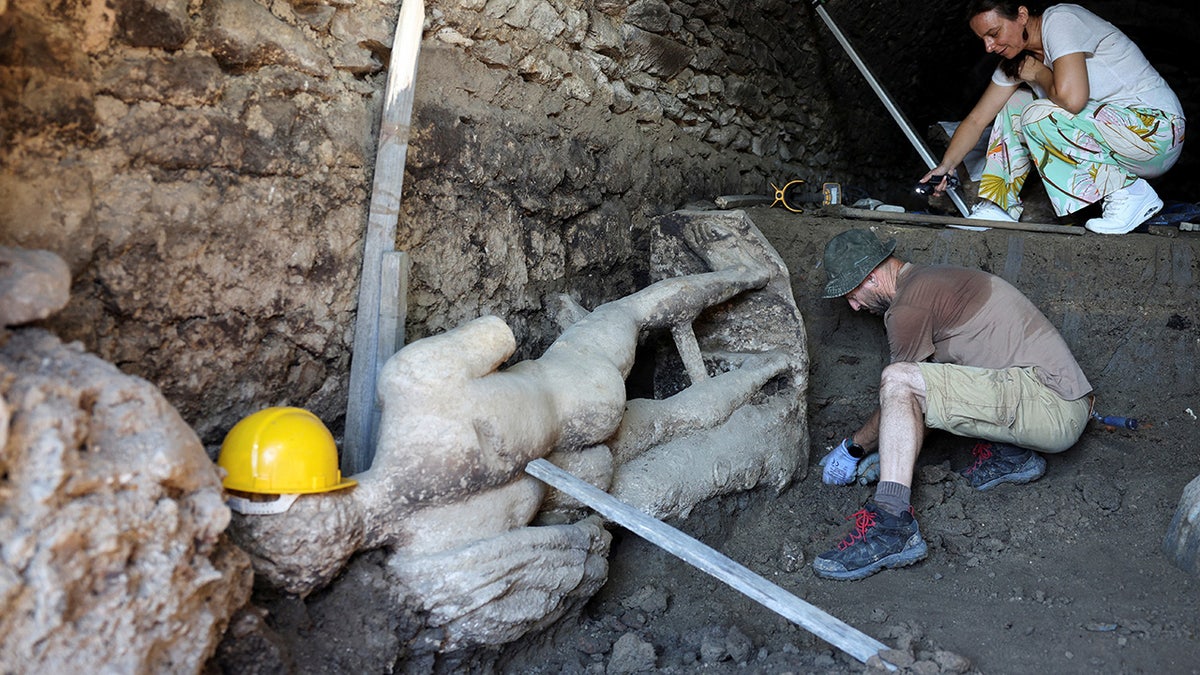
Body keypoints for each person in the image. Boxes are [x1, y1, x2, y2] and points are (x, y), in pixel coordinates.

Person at [811, 228, 1093, 580]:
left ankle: (892, 524)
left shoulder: (908, 307)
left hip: (1050, 405)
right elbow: (934, 394)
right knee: (923, 378)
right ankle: (1012, 454)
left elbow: (903, 394)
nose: (853, 306)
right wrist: (888, 450)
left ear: (871, 277)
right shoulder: (932, 280)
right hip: (1054, 396)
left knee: (898, 378)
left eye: (852, 294)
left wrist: (852, 448)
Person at [920, 2, 1186, 235]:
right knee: (1016, 102)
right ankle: (998, 204)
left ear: (1021, 15)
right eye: (983, 40)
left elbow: (1072, 99)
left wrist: (1039, 75)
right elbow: (977, 119)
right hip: (1116, 143)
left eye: (994, 33)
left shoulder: (1060, 20)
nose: (989, 47)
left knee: (1036, 113)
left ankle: (1128, 194)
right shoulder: (1017, 62)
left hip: (1157, 131)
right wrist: (945, 166)